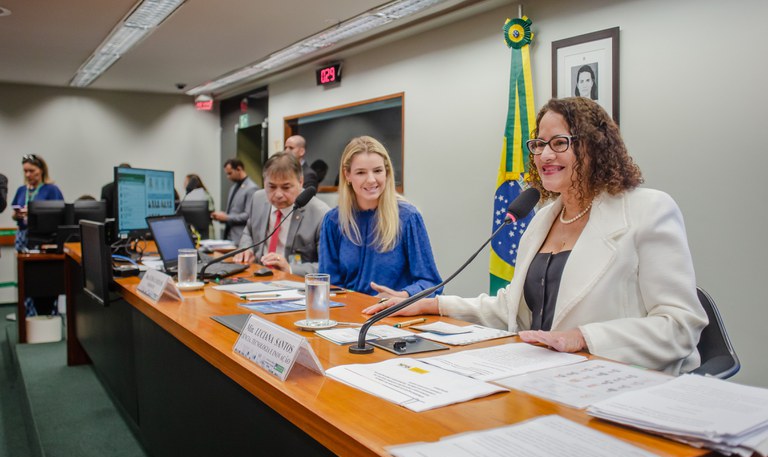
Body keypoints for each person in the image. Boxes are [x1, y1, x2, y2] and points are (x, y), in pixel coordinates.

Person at [364, 97, 707, 375]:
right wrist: (433, 303)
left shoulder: (648, 210)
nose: (544, 155)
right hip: (542, 376)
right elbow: (516, 311)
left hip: (619, 381)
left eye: (559, 143)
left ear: (594, 147)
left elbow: (680, 325)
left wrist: (583, 338)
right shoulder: (543, 218)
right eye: (539, 144)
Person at [319, 136, 442, 298]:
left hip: (393, 315)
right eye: (361, 172)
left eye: (377, 171)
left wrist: (402, 295)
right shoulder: (333, 221)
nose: (371, 180)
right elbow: (328, 284)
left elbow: (431, 283)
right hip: (347, 316)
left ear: (387, 172)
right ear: (347, 175)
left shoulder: (408, 217)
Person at [233, 152, 329, 276]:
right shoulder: (258, 198)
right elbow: (249, 232)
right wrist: (246, 249)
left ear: (300, 182)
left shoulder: (321, 214)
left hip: (295, 284)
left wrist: (290, 269)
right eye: (271, 187)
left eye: (286, 187)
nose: (278, 194)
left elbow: (327, 266)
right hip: (258, 276)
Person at [12, 154, 65, 316]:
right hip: (23, 238)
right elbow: (14, 215)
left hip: (42, 240)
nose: (28, 175)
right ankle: (27, 316)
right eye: (25, 171)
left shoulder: (51, 190)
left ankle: (47, 314)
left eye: (31, 171)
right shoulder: (21, 190)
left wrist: (35, 213)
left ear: (41, 170)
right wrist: (17, 215)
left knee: (43, 282)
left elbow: (59, 214)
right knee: (25, 281)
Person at [211, 158, 258, 244]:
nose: (228, 177)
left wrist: (227, 217)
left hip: (240, 238)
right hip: (229, 236)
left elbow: (248, 215)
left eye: (230, 173)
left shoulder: (251, 188)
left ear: (239, 169)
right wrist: (222, 216)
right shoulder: (233, 187)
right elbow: (234, 211)